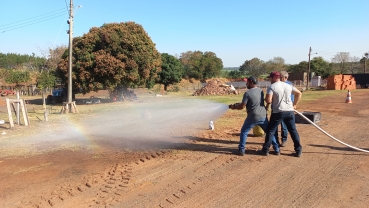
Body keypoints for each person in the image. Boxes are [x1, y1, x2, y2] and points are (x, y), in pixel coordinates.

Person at [229, 76, 280, 156]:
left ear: (251, 83)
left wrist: (233, 107)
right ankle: (277, 149)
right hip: (262, 115)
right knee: (269, 132)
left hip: (252, 116)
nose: (246, 84)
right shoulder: (260, 91)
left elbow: (242, 106)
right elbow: (254, 102)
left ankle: (241, 150)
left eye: (247, 82)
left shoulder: (247, 93)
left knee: (244, 132)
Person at [261, 71, 303, 157]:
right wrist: (294, 105)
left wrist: (268, 100)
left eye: (270, 78)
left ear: (274, 78)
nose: (269, 80)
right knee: (293, 131)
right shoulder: (288, 85)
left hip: (278, 112)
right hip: (290, 111)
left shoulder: (272, 87)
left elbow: (268, 100)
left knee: (270, 130)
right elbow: (299, 93)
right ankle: (298, 151)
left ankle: (265, 150)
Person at [274, 70, 294, 147]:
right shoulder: (276, 84)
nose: (279, 78)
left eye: (281, 77)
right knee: (274, 126)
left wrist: (293, 104)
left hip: (286, 109)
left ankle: (284, 140)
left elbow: (292, 97)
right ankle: (276, 141)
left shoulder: (289, 85)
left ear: (286, 77)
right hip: (276, 109)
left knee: (284, 126)